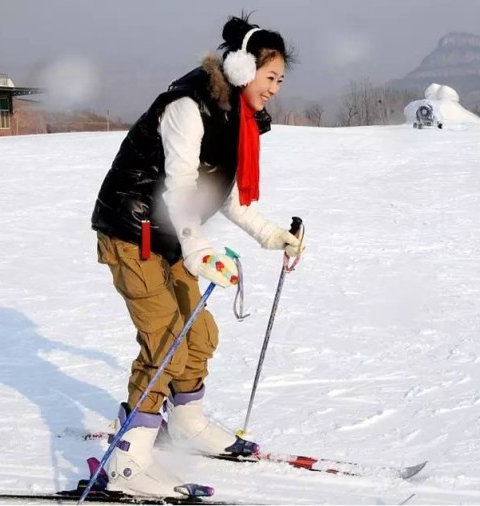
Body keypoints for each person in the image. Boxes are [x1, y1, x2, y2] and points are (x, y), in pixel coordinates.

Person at [90, 14, 302, 497]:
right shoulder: (190, 107)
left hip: (171, 236)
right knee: (167, 341)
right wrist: (200, 249)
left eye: (280, 81)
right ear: (245, 69)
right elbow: (181, 187)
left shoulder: (234, 118)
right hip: (133, 231)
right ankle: (127, 465)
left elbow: (220, 193)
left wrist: (269, 235)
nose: (274, 89)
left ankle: (186, 424)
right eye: (270, 78)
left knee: (198, 334)